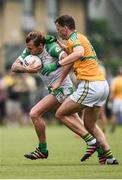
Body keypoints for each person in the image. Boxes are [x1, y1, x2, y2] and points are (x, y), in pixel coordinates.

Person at [11, 31, 103, 162]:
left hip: (62, 89)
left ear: (41, 46)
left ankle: (42, 150)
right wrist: (27, 70)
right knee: (76, 122)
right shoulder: (29, 51)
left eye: (31, 48)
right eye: (28, 48)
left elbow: (68, 61)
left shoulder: (51, 48)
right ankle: (101, 150)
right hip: (55, 90)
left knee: (34, 113)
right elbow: (14, 67)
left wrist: (59, 81)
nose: (28, 51)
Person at [41, 15, 119, 165]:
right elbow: (73, 52)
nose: (59, 33)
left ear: (65, 27)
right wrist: (57, 42)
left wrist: (56, 64)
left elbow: (78, 53)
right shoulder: (78, 38)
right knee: (89, 124)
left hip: (90, 85)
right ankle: (109, 157)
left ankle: (91, 142)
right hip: (102, 85)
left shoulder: (74, 39)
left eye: (59, 30)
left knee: (61, 113)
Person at [109, 67, 122, 132]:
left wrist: (110, 100)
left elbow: (112, 91)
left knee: (114, 114)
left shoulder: (115, 80)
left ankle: (112, 129)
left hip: (117, 100)